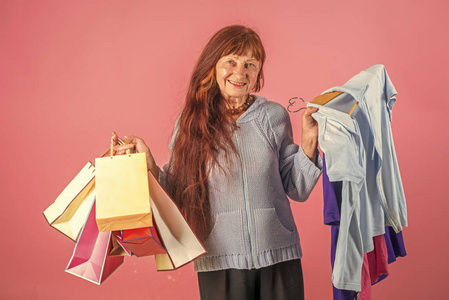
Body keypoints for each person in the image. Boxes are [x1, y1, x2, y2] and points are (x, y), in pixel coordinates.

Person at [112, 25, 322, 300]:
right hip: (220, 258)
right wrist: (146, 161)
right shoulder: (191, 124)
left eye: (250, 64)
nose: (240, 72)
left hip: (279, 254)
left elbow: (297, 188)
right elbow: (174, 191)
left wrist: (309, 137)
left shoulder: (273, 117)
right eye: (231, 62)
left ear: (258, 72)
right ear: (213, 67)